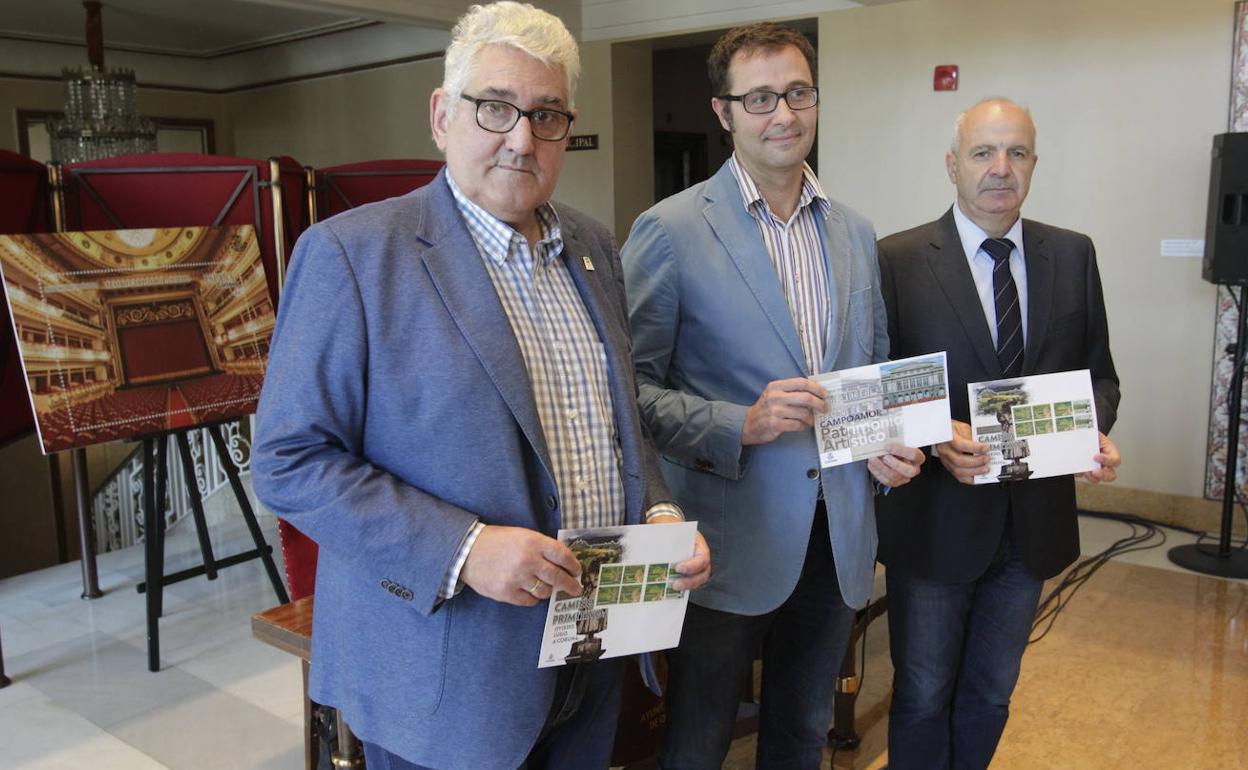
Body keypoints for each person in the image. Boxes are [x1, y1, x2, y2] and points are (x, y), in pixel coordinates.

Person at [251, 4, 709, 769]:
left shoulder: (593, 245)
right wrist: (464, 550)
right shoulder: (353, 256)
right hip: (450, 672)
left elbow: (617, 418)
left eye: (547, 115)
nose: (521, 138)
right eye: (495, 107)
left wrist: (659, 511)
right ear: (442, 115)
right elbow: (290, 462)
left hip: (593, 645)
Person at [621, 22, 923, 769]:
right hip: (727, 536)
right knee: (697, 735)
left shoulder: (855, 231)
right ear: (723, 112)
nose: (783, 114)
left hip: (840, 530)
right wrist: (738, 423)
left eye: (797, 93)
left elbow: (873, 365)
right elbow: (626, 393)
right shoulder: (670, 230)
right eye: (759, 98)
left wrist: (889, 437)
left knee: (801, 729)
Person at [875, 97, 1122, 770]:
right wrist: (933, 436)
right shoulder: (896, 259)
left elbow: (1100, 379)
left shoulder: (1072, 254)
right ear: (954, 165)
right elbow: (875, 393)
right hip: (934, 524)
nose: (1000, 168)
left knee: (992, 690)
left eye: (1017, 153)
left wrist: (1090, 432)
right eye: (984, 153)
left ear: (1034, 164)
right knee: (923, 692)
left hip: (1032, 526)